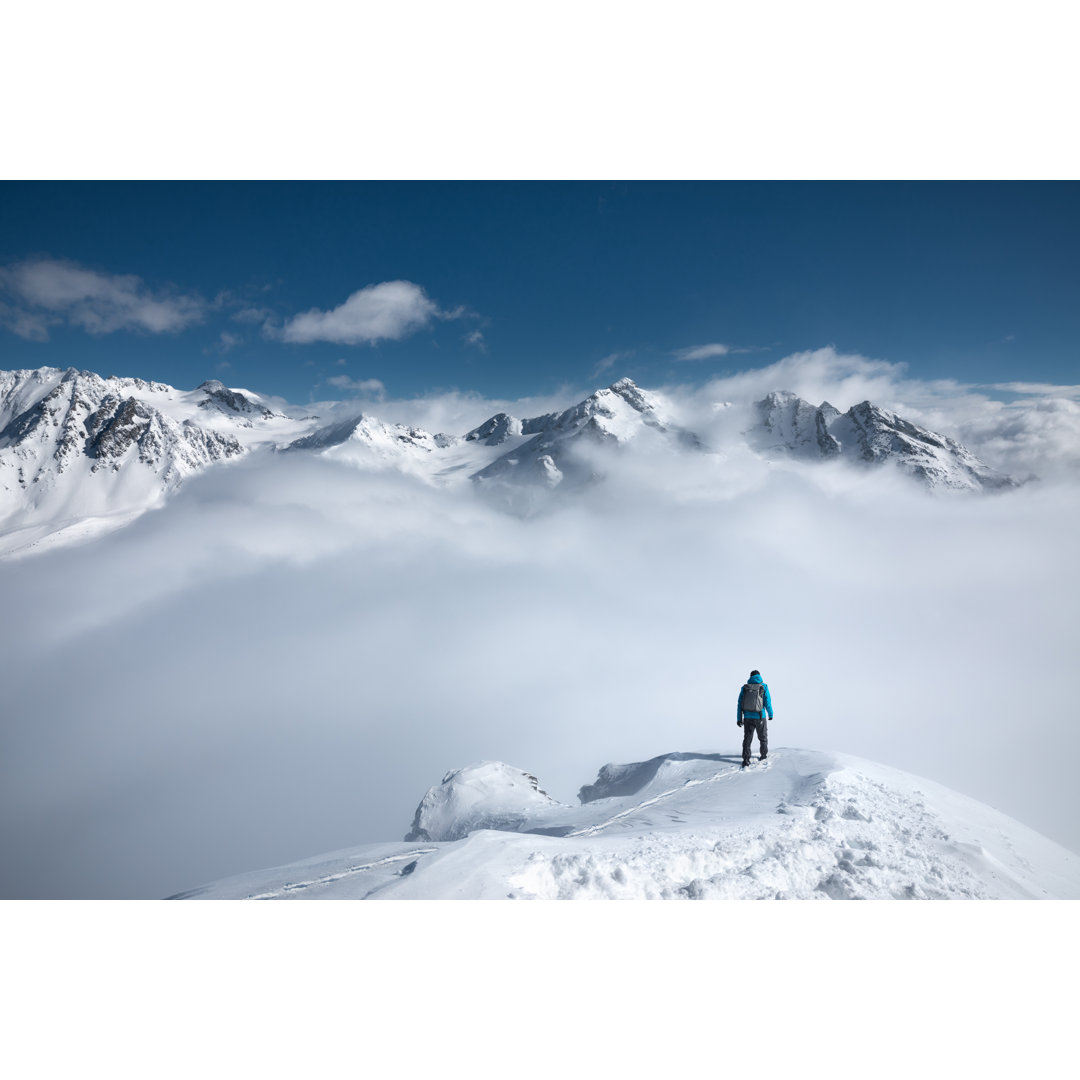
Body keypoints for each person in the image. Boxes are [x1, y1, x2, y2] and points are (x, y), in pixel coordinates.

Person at [737, 669, 773, 767]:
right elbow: (767, 702)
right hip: (760, 716)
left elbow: (739, 704)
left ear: (750, 677)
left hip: (747, 717)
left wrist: (739, 718)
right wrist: (770, 714)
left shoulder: (745, 688)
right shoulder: (764, 686)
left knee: (747, 739)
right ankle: (763, 756)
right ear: (759, 676)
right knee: (763, 737)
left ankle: (746, 760)